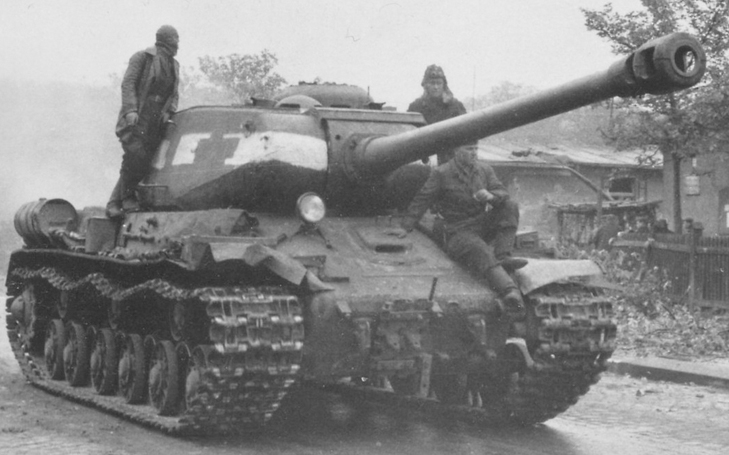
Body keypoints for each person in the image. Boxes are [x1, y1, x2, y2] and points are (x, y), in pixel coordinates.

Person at [395, 144, 526, 315]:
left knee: (509, 206)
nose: (474, 153)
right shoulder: (442, 173)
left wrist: (491, 196)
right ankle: (510, 291)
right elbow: (423, 199)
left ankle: (503, 256)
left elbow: (502, 191)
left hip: (478, 223)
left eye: (476, 149)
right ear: (456, 150)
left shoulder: (484, 169)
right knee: (479, 249)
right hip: (454, 229)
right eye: (469, 149)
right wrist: (406, 227)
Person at [106, 25, 180, 219]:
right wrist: (130, 110)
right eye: (175, 39)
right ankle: (126, 199)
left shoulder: (174, 65)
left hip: (157, 118)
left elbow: (174, 93)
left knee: (145, 160)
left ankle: (114, 202)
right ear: (165, 39)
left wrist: (170, 111)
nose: (177, 43)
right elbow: (128, 84)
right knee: (135, 155)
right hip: (140, 114)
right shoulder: (142, 57)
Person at [408, 65, 467, 165]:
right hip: (423, 161)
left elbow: (466, 134)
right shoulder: (416, 108)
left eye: (439, 83)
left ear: (444, 85)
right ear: (426, 85)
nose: (436, 87)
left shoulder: (456, 107)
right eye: (432, 83)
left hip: (450, 161)